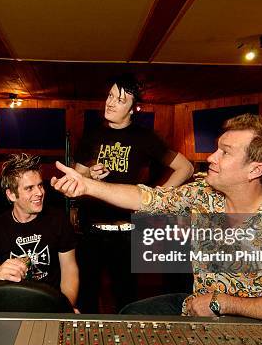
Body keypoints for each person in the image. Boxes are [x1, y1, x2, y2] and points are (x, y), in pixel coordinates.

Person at [52, 114, 262, 324]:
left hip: (254, 328)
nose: (211, 157)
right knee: (131, 316)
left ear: (255, 169)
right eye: (217, 148)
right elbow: (150, 199)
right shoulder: (204, 193)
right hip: (197, 309)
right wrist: (88, 186)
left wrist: (223, 303)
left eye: (225, 152)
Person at [72, 74, 193, 313]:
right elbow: (77, 179)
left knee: (126, 297)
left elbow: (186, 167)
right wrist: (89, 176)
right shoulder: (92, 134)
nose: (111, 103)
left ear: (133, 108)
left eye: (120, 99)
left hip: (127, 234)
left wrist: (158, 196)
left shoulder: (144, 137)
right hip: (91, 231)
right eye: (109, 96)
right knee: (86, 296)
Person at [0, 154, 79, 310]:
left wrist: (65, 307)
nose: (39, 192)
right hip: (9, 307)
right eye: (29, 188)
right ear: (11, 195)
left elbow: (69, 269)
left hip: (49, 305)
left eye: (40, 185)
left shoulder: (58, 220)